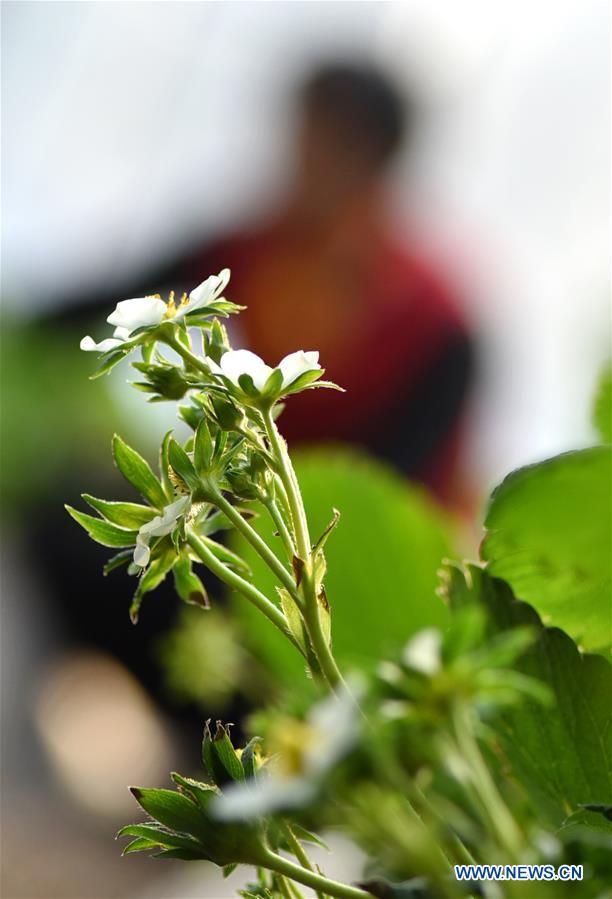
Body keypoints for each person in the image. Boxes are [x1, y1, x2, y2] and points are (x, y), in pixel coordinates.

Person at [182, 62, 474, 505]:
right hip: (261, 510)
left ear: (373, 163)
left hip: (341, 543)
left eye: (320, 144)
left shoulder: (433, 322)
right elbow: (122, 295)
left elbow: (391, 482)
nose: (297, 158)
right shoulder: (259, 248)